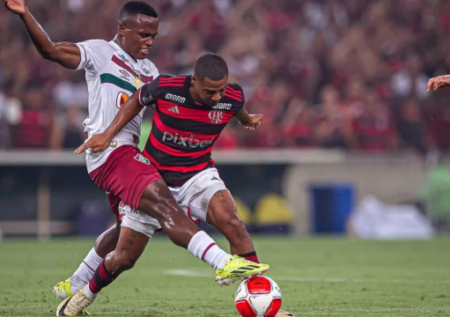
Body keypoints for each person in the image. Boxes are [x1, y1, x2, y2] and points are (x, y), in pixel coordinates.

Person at [4, 1, 270, 316]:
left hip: (133, 153)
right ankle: (223, 262)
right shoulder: (100, 52)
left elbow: (170, 105)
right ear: (123, 29)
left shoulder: (150, 71)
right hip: (110, 150)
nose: (149, 41)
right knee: (164, 204)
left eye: (154, 36)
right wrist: (24, 14)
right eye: (143, 34)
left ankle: (77, 285)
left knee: (125, 239)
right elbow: (50, 50)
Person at [73, 53, 295, 317]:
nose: (216, 97)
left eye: (221, 90)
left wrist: (248, 120)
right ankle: (86, 294)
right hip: (153, 180)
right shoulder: (167, 89)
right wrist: (107, 134)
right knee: (124, 258)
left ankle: (262, 307)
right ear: (193, 82)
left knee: (232, 222)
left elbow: (239, 111)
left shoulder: (232, 96)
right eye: (210, 91)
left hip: (197, 175)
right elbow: (136, 99)